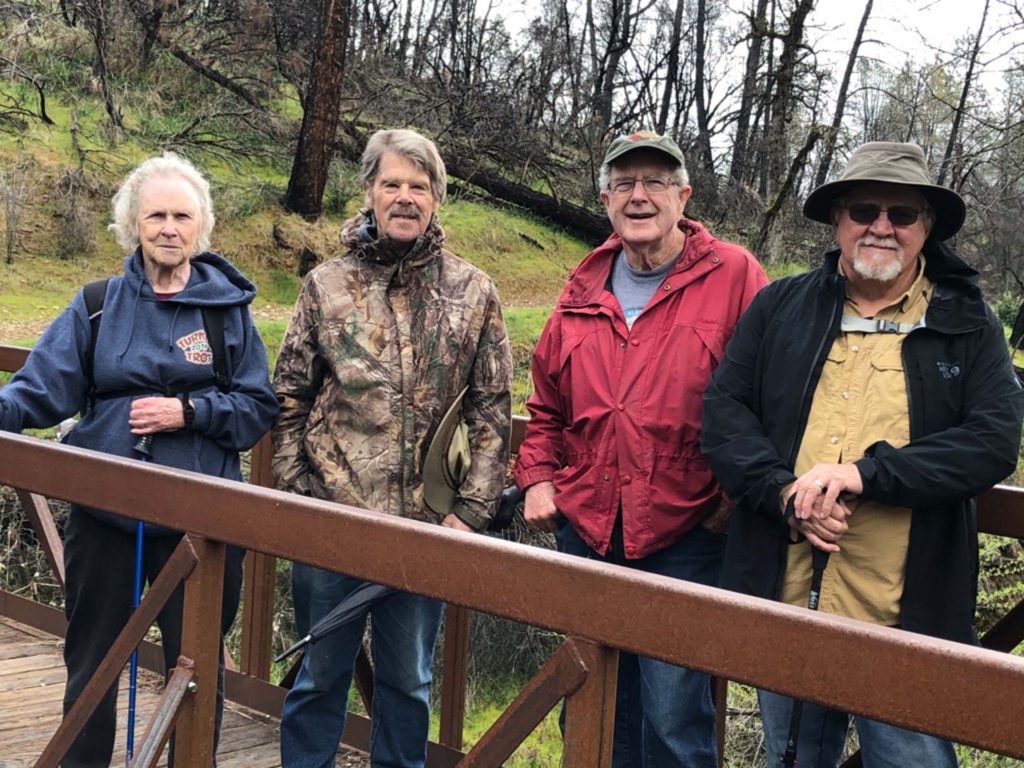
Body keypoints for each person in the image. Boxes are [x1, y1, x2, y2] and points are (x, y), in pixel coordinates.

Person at [701, 141, 1024, 767]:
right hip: (790, 596)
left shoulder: (968, 319)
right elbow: (724, 412)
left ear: (925, 228)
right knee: (791, 758)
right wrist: (785, 492)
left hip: (908, 617)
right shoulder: (780, 306)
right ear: (836, 221)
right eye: (864, 210)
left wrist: (864, 474)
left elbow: (991, 443)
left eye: (902, 214)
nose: (882, 226)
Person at [0, 152, 279, 766]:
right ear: (134, 224)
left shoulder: (226, 311)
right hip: (106, 513)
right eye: (156, 215)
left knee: (197, 669)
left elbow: (258, 408)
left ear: (200, 227)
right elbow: (39, 388)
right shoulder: (97, 303)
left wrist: (188, 413)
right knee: (92, 657)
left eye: (182, 216)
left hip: (200, 523)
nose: (169, 228)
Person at [514, 130, 768, 767]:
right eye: (624, 183)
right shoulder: (582, 287)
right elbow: (544, 407)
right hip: (591, 530)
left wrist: (733, 500)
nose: (639, 195)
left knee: (673, 715)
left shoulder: (734, 276)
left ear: (684, 196)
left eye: (655, 182)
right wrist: (538, 479)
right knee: (592, 703)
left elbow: (775, 399)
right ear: (604, 199)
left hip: (687, 532)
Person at [272, 128, 512, 768]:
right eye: (392, 184)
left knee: (407, 684)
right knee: (318, 673)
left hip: (427, 527)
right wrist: (298, 495)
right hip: (331, 516)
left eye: (419, 185)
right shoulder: (326, 284)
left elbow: (493, 408)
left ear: (437, 198)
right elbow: (290, 394)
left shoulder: (473, 290)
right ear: (371, 192)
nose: (405, 197)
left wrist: (471, 512)